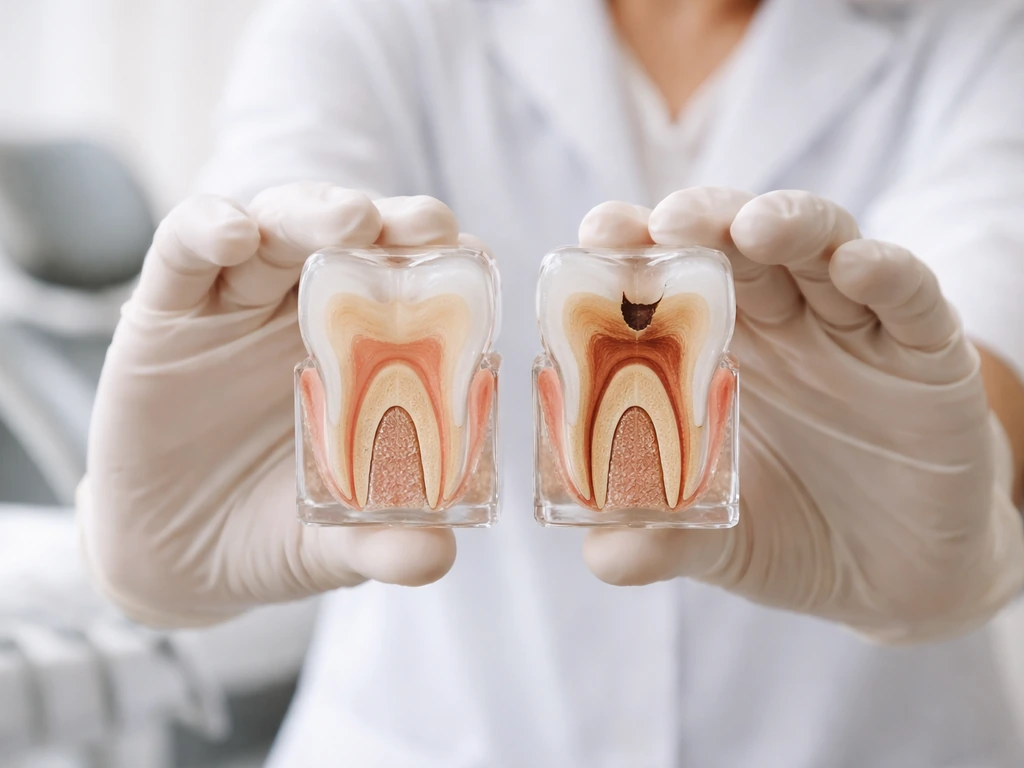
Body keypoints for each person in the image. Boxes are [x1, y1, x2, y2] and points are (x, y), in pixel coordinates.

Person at [78, 0, 1024, 764]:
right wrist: (250, 359)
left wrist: (965, 492)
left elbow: (990, 322)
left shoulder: (988, 35)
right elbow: (277, 208)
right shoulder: (372, 22)